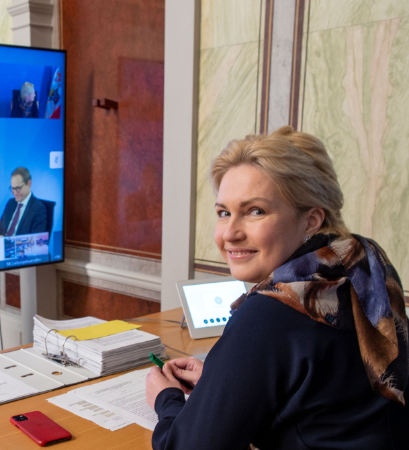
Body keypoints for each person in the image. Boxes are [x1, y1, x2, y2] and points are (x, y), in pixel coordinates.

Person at [145, 127, 408, 449]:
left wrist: (166, 399)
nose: (230, 234)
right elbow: (328, 392)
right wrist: (227, 381)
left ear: (311, 220)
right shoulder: (363, 263)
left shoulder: (271, 312)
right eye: (224, 213)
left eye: (255, 211)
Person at [0, 167, 48, 239]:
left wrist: (8, 241)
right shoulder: (11, 203)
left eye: (18, 188)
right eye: (12, 188)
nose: (14, 192)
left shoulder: (38, 208)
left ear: (29, 184)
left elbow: (37, 241)